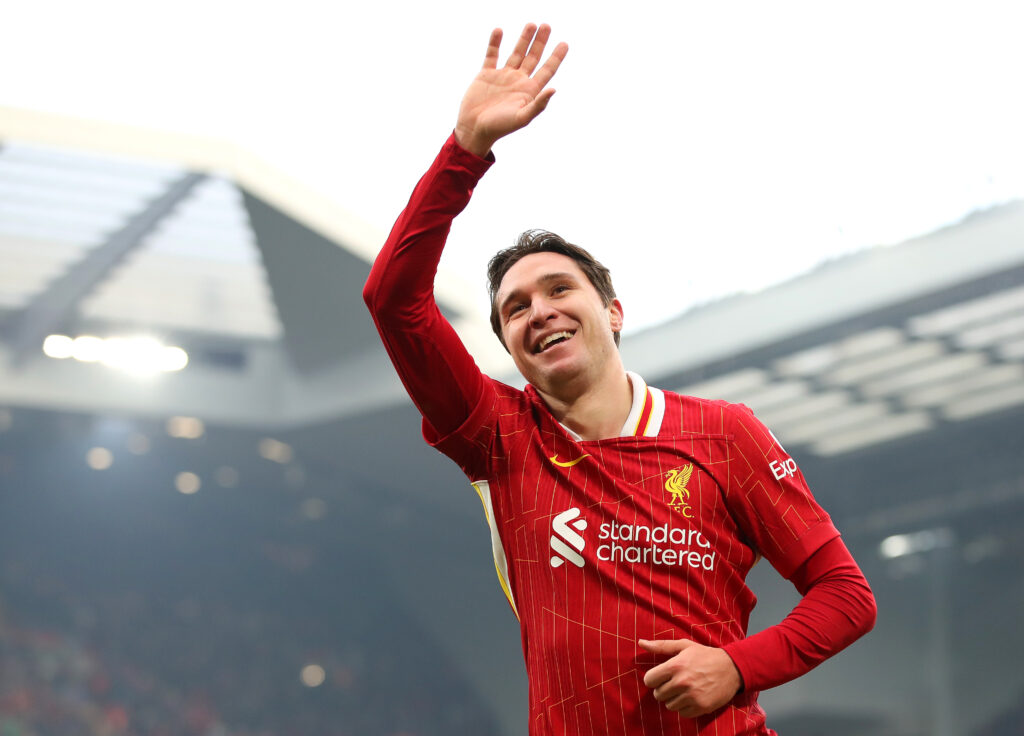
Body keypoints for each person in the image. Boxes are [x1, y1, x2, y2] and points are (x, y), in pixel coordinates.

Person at [363, 23, 876, 736]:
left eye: (559, 289)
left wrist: (737, 666)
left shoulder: (724, 433)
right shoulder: (498, 436)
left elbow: (846, 594)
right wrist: (465, 151)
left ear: (612, 311)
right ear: (510, 346)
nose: (539, 310)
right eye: (515, 308)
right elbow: (393, 300)